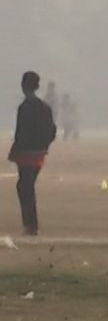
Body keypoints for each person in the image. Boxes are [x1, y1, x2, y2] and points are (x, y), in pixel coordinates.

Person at [8, 71, 57, 236]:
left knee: (25, 187)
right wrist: (45, 146)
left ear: (23, 86)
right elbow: (52, 130)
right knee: (26, 186)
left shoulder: (24, 108)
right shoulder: (45, 107)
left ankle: (31, 225)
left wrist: (15, 151)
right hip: (40, 153)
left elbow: (20, 133)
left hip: (25, 154)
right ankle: (30, 224)